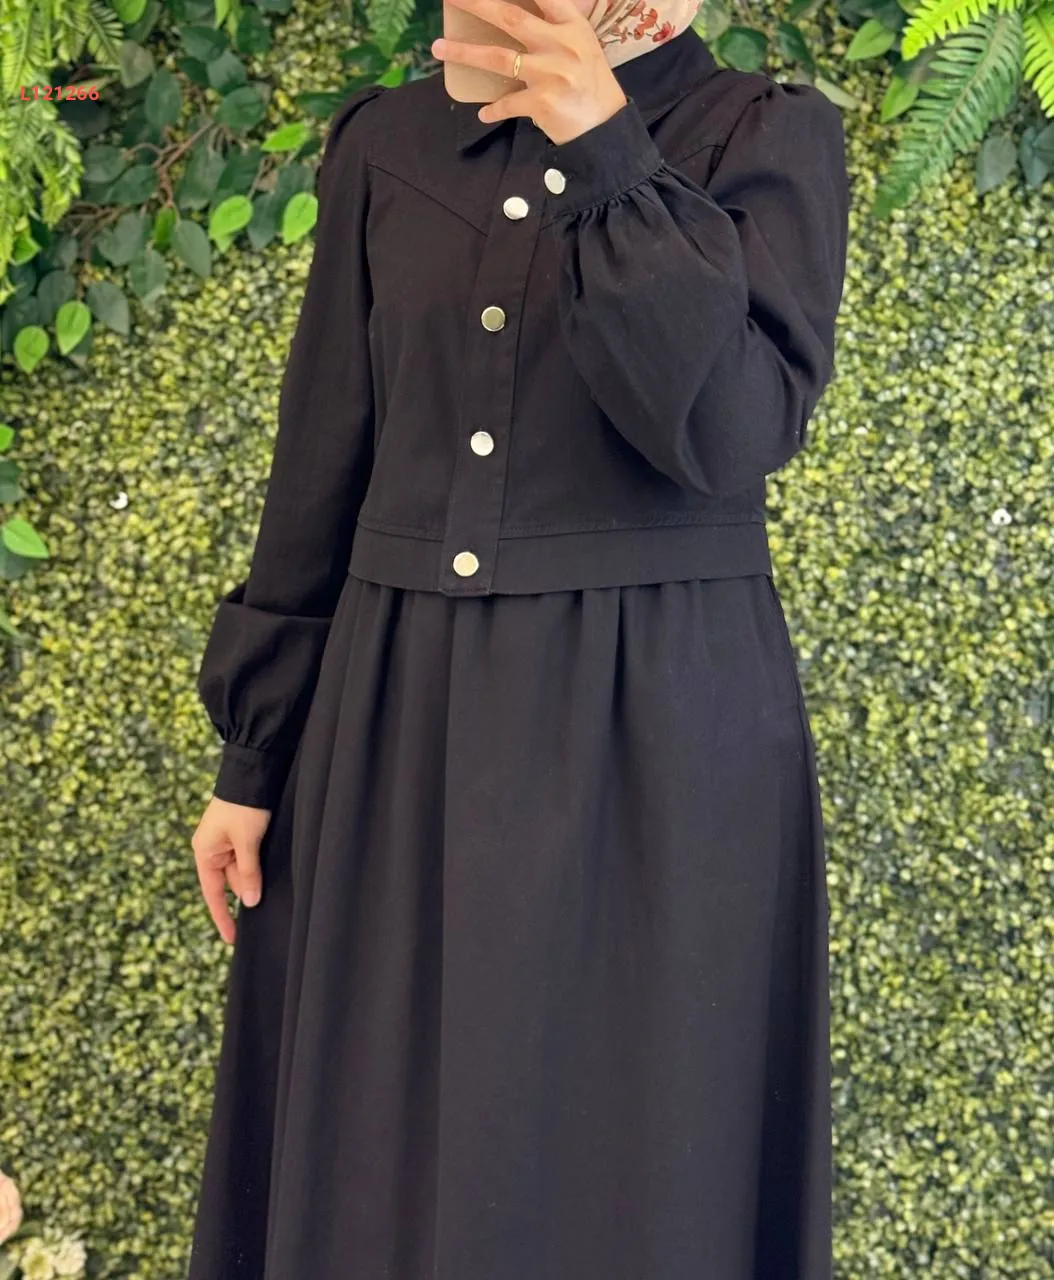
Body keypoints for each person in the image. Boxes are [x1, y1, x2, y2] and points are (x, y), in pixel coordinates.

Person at [186, 0, 850, 1274]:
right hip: (397, 726)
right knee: (378, 1161)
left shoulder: (764, 137)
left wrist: (607, 150)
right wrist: (252, 758)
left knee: (634, 1169)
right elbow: (322, 455)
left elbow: (727, 434)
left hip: (658, 743)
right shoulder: (385, 144)